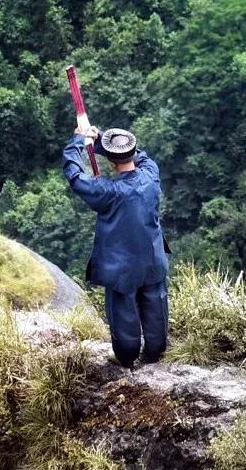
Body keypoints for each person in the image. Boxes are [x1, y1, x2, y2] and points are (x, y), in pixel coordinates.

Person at [62, 125, 170, 369]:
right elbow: (140, 156)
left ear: (111, 162)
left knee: (123, 316)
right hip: (153, 259)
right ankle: (155, 356)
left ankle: (127, 357)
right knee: (155, 306)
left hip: (122, 268)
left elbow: (75, 176)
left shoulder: (107, 192)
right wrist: (102, 142)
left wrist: (79, 141)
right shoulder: (151, 174)